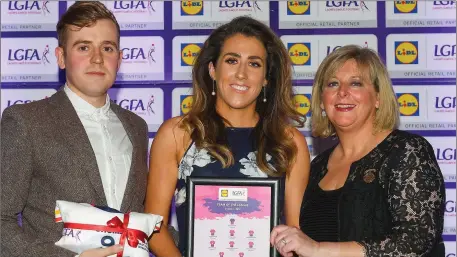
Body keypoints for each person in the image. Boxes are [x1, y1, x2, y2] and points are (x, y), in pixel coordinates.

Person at [145, 16, 310, 257]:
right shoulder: (178, 134)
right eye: (232, 60)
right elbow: (154, 229)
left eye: (254, 64)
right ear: (213, 69)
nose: (241, 74)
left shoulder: (289, 141)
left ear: (266, 78)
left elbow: (295, 234)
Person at [1, 2, 149, 257]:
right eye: (83, 47)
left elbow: (140, 215)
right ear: (61, 57)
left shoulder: (137, 126)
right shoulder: (25, 121)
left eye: (107, 47)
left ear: (120, 58)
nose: (97, 58)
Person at [270, 45, 445, 257]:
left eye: (356, 83)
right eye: (333, 84)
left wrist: (318, 249)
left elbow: (415, 240)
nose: (342, 92)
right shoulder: (316, 167)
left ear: (378, 97)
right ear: (322, 101)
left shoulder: (407, 151)